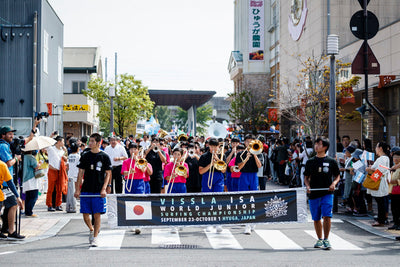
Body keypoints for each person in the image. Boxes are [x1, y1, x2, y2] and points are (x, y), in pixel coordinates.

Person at [75, 133, 112, 247]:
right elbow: (80, 173)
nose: (89, 143)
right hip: (86, 188)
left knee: (97, 214)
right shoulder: (85, 155)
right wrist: (77, 189)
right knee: (85, 214)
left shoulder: (104, 156)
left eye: (92, 141)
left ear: (98, 142)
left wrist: (104, 188)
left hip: (98, 190)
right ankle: (91, 229)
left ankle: (95, 237)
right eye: (89, 141)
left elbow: (108, 173)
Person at [304, 137, 340, 250]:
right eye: (316, 144)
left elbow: (337, 176)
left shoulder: (331, 161)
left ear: (325, 147)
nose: (316, 146)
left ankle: (326, 239)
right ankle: (319, 239)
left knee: (327, 216)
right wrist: (308, 186)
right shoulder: (310, 162)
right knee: (316, 218)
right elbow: (306, 177)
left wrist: (334, 183)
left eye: (319, 144)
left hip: (327, 193)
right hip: (314, 194)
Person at [235, 135, 262, 235]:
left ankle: (252, 221)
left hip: (253, 176)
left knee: (253, 198)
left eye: (251, 141)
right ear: (245, 143)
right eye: (247, 142)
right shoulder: (240, 154)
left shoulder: (258, 152)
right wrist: (246, 158)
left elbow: (259, 166)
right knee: (244, 199)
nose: (249, 144)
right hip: (243, 176)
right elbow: (239, 167)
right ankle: (247, 224)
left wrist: (254, 154)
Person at [198, 138, 225, 233]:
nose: (213, 148)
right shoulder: (204, 156)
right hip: (207, 177)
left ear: (218, 146)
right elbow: (201, 171)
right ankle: (208, 222)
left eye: (215, 146)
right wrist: (211, 164)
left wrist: (217, 160)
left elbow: (224, 170)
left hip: (218, 178)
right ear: (208, 146)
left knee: (218, 200)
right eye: (212, 146)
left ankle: (218, 222)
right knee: (208, 200)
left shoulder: (222, 156)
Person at [366, 142, 390, 227]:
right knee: (381, 201)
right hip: (380, 181)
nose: (375, 148)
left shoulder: (383, 158)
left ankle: (381, 220)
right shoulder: (383, 158)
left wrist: (370, 170)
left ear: (380, 148)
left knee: (381, 202)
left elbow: (380, 170)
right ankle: (381, 219)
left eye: (376, 147)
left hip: (380, 182)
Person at [0, 161, 24, 239]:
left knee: (13, 203)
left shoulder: (2, 165)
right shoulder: (2, 165)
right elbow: (10, 182)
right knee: (13, 203)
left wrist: (17, 197)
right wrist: (18, 197)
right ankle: (11, 231)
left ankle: (11, 231)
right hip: (3, 190)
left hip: (2, 191)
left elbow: (10, 182)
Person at [46, 136, 68, 212]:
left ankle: (58, 204)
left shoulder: (62, 150)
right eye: (62, 141)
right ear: (58, 142)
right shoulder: (51, 149)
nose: (64, 143)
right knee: (50, 188)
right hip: (52, 170)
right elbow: (46, 143)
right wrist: (51, 137)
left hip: (60, 171)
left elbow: (65, 160)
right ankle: (49, 205)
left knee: (60, 188)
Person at [22, 150, 40, 217]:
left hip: (25, 178)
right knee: (34, 196)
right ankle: (29, 212)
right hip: (31, 178)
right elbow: (36, 166)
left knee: (28, 196)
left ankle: (27, 212)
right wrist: (39, 164)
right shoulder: (30, 157)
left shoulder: (23, 157)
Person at [66, 143, 80, 213]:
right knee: (76, 188)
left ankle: (73, 201)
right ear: (77, 149)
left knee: (71, 189)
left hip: (70, 174)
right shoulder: (78, 156)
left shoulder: (70, 156)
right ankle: (74, 201)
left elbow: (67, 165)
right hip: (76, 174)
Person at [388, 151, 400, 230]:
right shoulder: (393, 167)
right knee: (394, 208)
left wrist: (396, 182)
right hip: (393, 190)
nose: (395, 159)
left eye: (397, 157)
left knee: (398, 208)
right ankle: (396, 223)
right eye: (394, 157)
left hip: (398, 190)